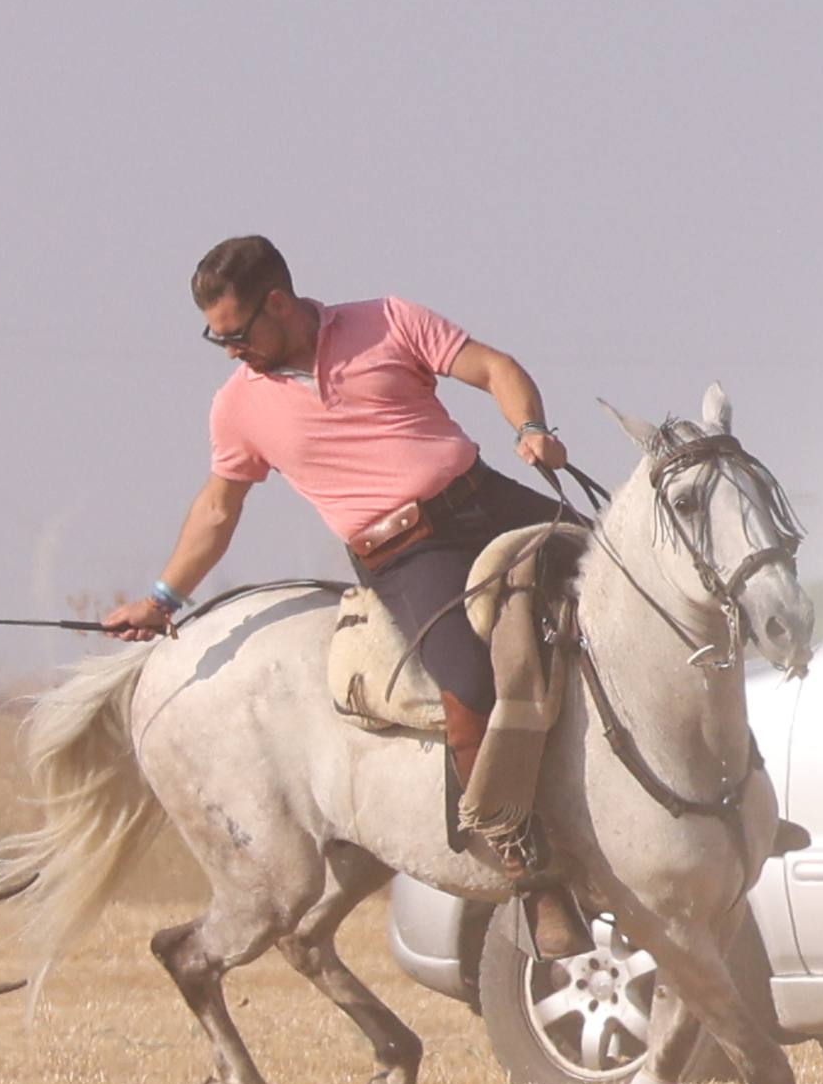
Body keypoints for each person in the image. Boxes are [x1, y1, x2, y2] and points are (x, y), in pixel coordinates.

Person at [102, 234, 588, 956]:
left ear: (278, 303)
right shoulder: (238, 406)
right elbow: (216, 510)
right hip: (406, 554)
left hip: (486, 499)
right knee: (472, 685)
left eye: (236, 333)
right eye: (216, 339)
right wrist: (161, 599)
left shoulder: (388, 320)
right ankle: (530, 870)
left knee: (638, 590)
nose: (230, 350)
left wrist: (531, 429)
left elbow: (493, 368)